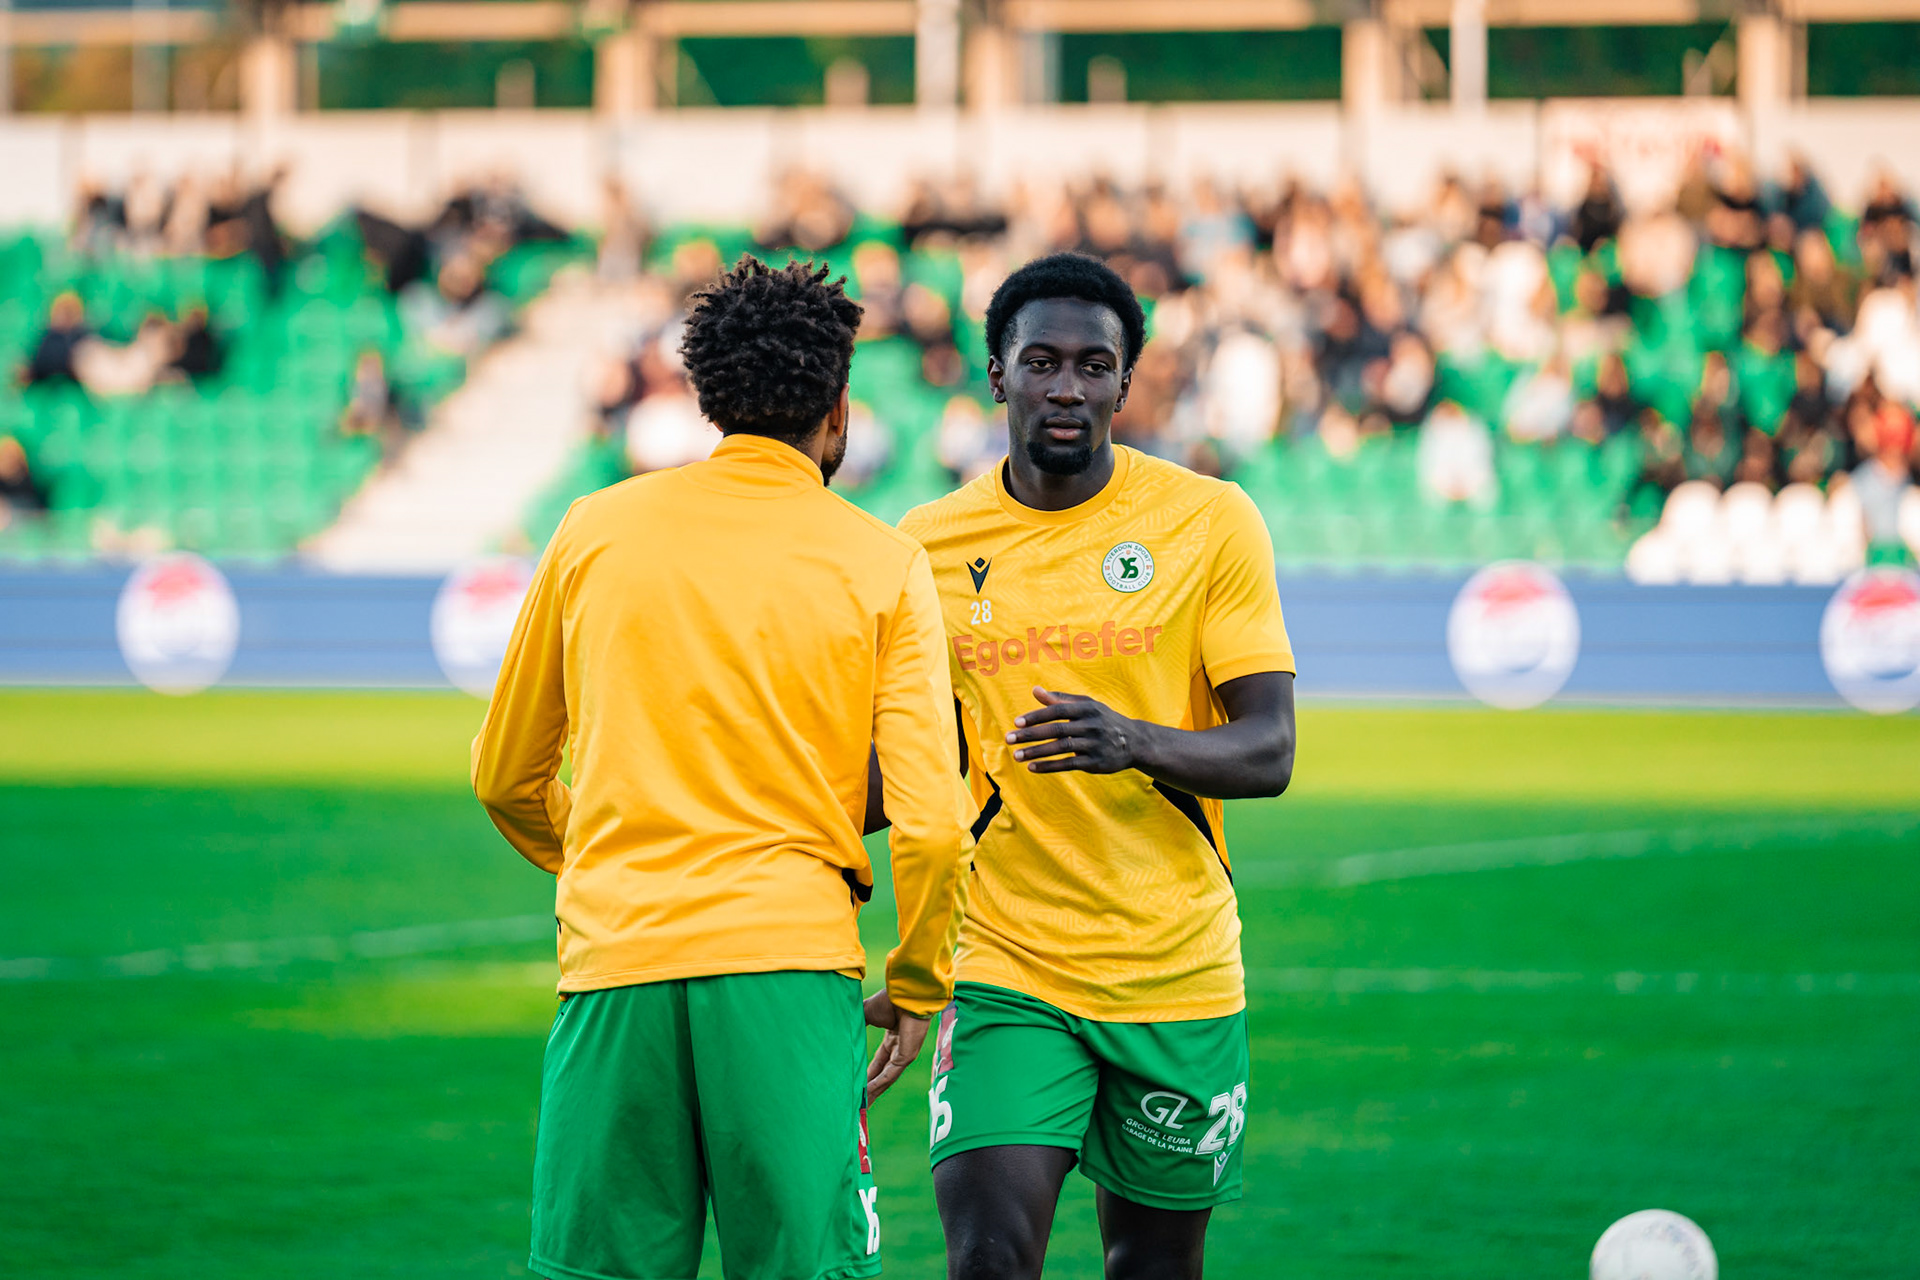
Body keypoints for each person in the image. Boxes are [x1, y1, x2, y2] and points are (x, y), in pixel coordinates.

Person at [472, 257, 969, 1280]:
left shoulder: (593, 529)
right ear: (837, 409)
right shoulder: (882, 562)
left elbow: (502, 776)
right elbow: (930, 822)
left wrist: (617, 864)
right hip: (789, 973)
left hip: (618, 966)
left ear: (708, 399)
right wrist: (919, 982)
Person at [885, 253, 1297, 1280]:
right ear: (996, 374)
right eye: (1042, 361)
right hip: (1005, 965)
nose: (1067, 386)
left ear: (1125, 380)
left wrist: (1135, 739)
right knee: (986, 1255)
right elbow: (897, 768)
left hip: (1176, 969)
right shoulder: (924, 547)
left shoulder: (1211, 521)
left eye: (1093, 365)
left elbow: (1271, 746)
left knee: (1151, 1267)